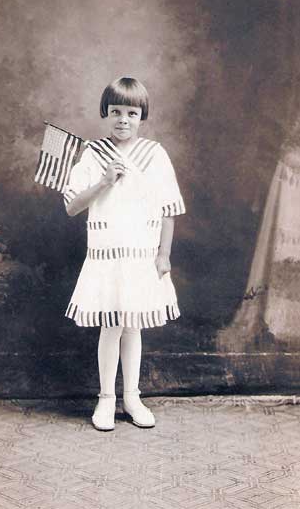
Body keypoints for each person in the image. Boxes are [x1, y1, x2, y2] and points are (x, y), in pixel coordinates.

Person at [63, 77, 185, 431]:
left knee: (133, 325)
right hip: (107, 255)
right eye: (116, 111)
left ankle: (132, 397)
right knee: (111, 326)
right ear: (106, 112)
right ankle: (106, 399)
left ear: (142, 115)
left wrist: (164, 253)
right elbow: (72, 207)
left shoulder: (155, 154)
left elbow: (168, 209)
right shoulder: (93, 153)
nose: (123, 120)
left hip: (141, 255)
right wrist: (103, 181)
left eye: (131, 113)